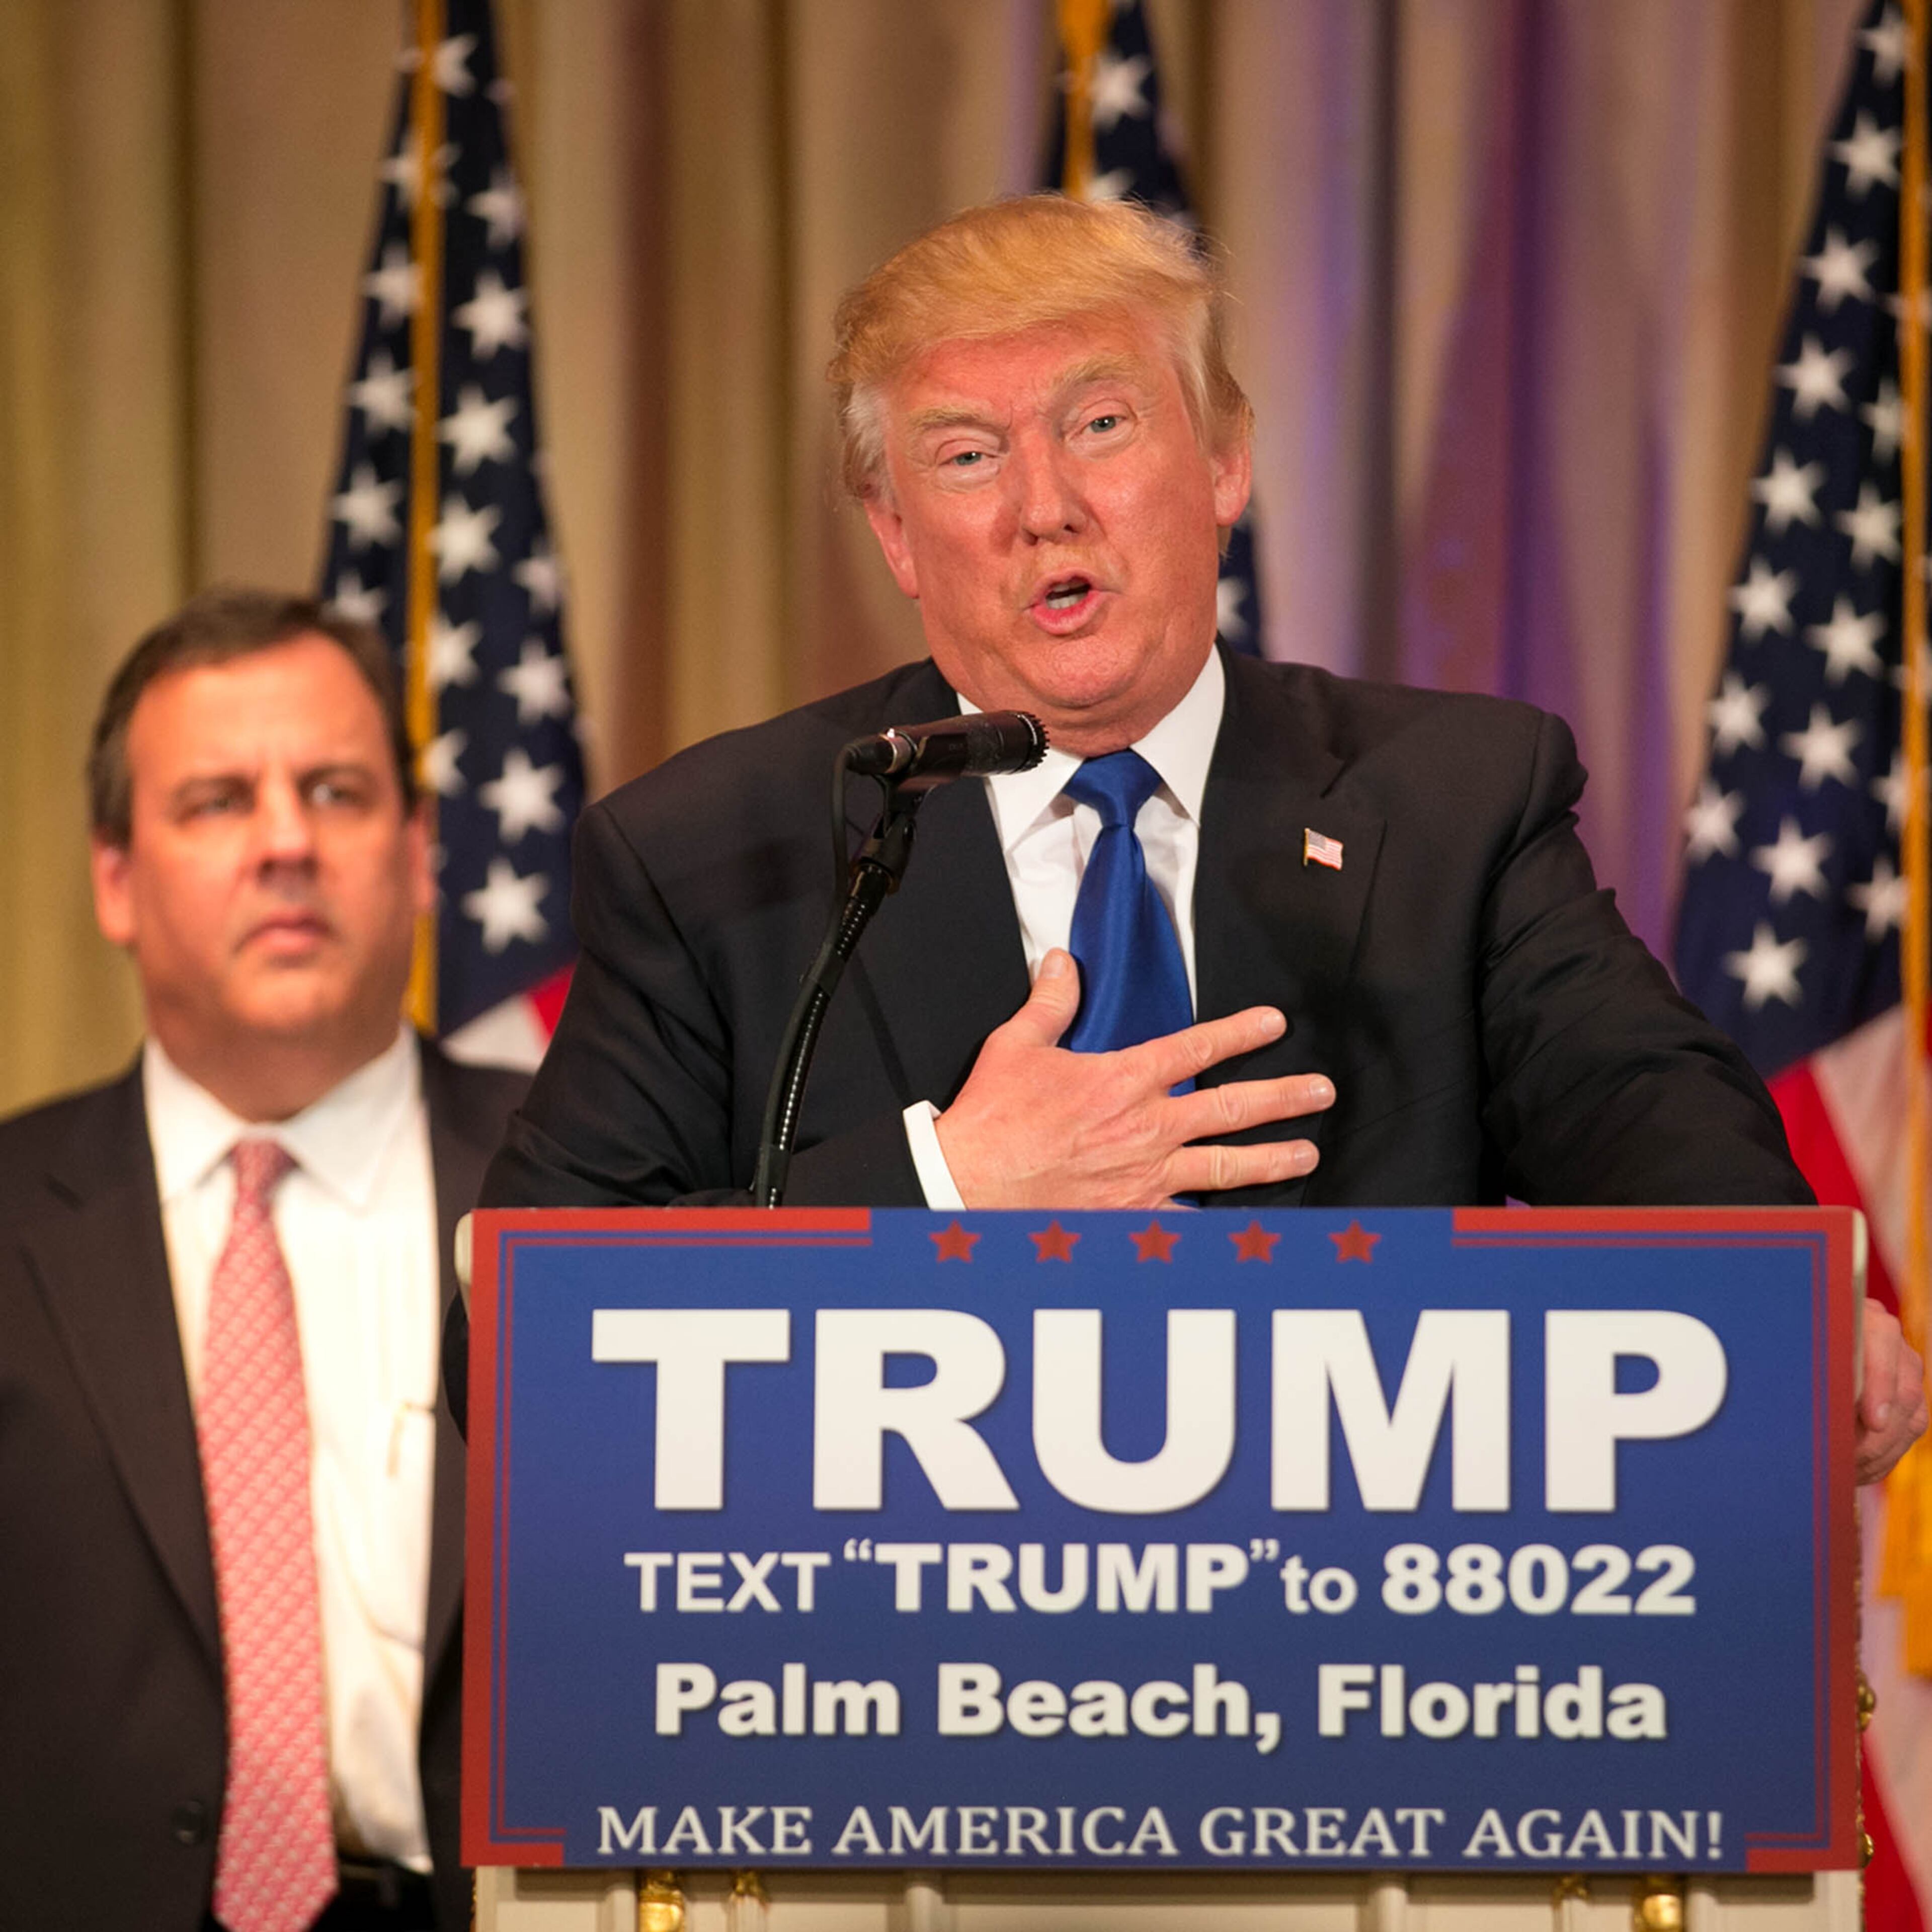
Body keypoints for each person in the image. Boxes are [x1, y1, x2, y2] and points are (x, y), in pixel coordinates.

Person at [479, 194, 1924, 1481]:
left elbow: (1642, 1108)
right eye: (968, 456)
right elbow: (529, 1324)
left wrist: (1789, 1292)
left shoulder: (1448, 797)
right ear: (898, 533)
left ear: (1224, 461)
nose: (1046, 509)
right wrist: (944, 1189)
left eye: (1100, 426)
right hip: (898, 1688)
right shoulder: (719, 853)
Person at [0, 589, 526, 1931]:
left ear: (419, 854)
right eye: (220, 801)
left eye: (338, 792)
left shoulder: (589, 1185)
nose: (287, 843)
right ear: (115, 878)